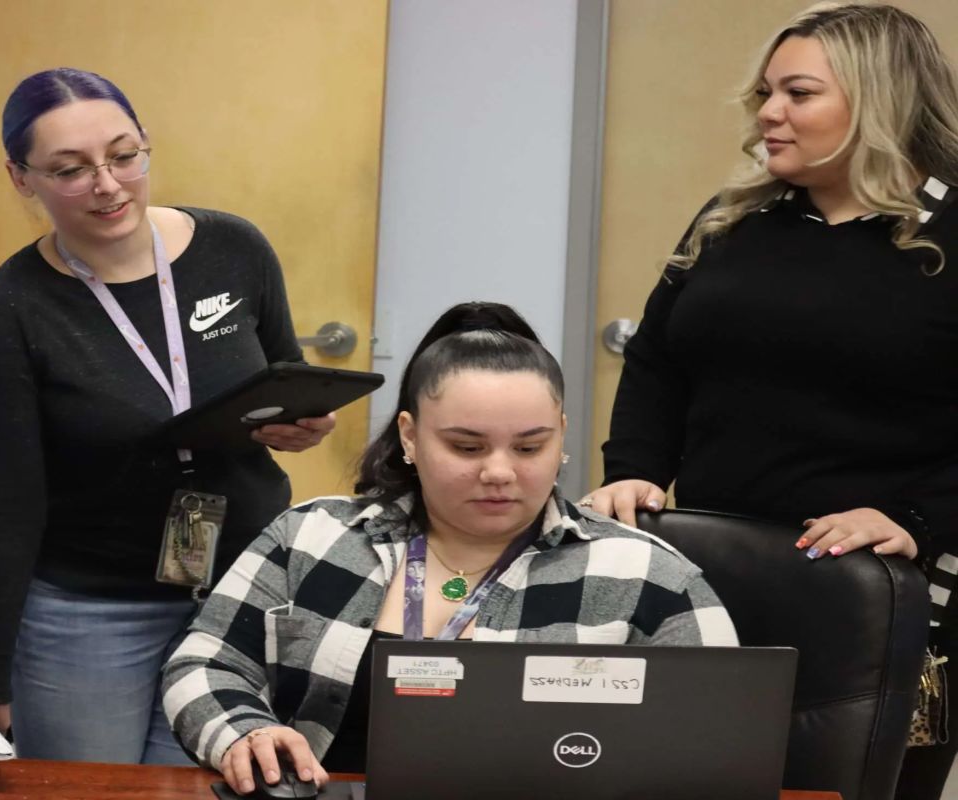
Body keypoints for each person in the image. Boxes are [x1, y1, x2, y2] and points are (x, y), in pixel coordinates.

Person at [580, 4, 958, 797]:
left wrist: (918, 518)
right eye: (765, 93)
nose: (768, 114)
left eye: (798, 94)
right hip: (714, 574)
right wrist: (634, 469)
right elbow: (657, 361)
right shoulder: (735, 219)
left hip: (890, 591)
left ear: (879, 100)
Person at [162, 302, 738, 795]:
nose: (499, 472)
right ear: (410, 436)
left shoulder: (646, 574)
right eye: (467, 447)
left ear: (561, 434)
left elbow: (722, 733)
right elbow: (206, 661)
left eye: (529, 448)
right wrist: (245, 733)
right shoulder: (311, 537)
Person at [0, 68, 335, 764]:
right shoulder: (14, 307)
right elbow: (3, 502)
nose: (108, 184)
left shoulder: (234, 249)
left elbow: (282, 376)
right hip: (90, 610)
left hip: (239, 593)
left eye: (124, 156)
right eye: (71, 170)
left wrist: (299, 425)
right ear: (21, 178)